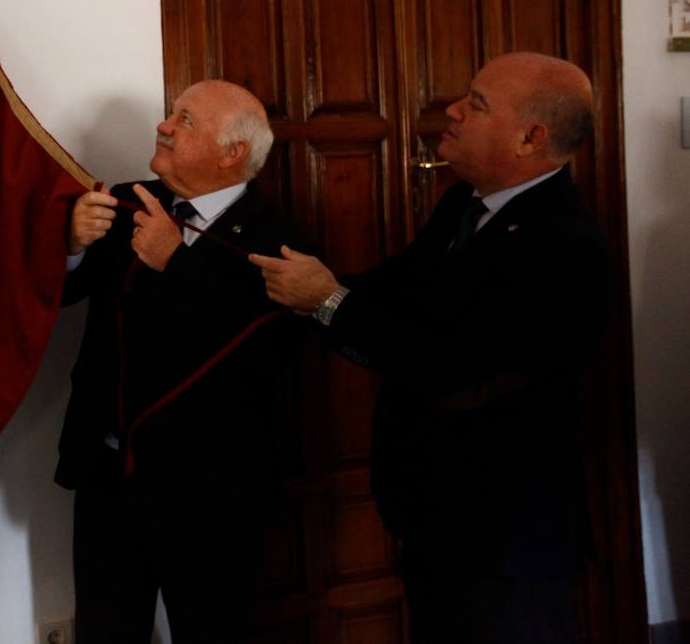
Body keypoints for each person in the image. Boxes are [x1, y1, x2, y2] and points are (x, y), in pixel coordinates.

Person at [250, 52, 610, 644]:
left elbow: (455, 371)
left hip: (505, 537)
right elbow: (396, 291)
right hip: (435, 514)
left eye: (478, 103)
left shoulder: (564, 247)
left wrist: (329, 301)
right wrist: (306, 291)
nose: (453, 111)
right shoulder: (465, 205)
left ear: (530, 137)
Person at [56, 79, 309, 643]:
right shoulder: (129, 199)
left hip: (208, 495)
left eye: (186, 120)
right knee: (103, 630)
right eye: (172, 114)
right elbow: (69, 294)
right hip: (106, 476)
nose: (164, 126)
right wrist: (72, 246)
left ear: (232, 153)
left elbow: (258, 356)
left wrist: (176, 262)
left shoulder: (279, 242)